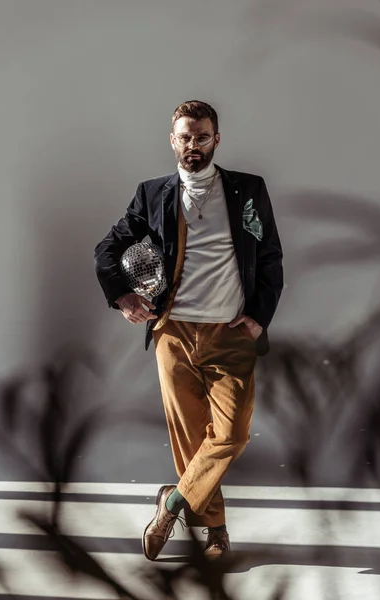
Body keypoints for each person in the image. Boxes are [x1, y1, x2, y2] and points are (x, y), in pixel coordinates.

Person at [94, 100, 283, 561]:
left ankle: (173, 502)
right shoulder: (153, 194)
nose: (192, 145)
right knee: (191, 437)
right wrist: (122, 295)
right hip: (174, 332)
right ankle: (215, 532)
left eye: (201, 136)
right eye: (184, 137)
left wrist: (259, 315)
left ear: (216, 139)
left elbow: (270, 255)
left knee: (232, 434)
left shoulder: (247, 190)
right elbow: (108, 248)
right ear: (172, 139)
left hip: (231, 332)